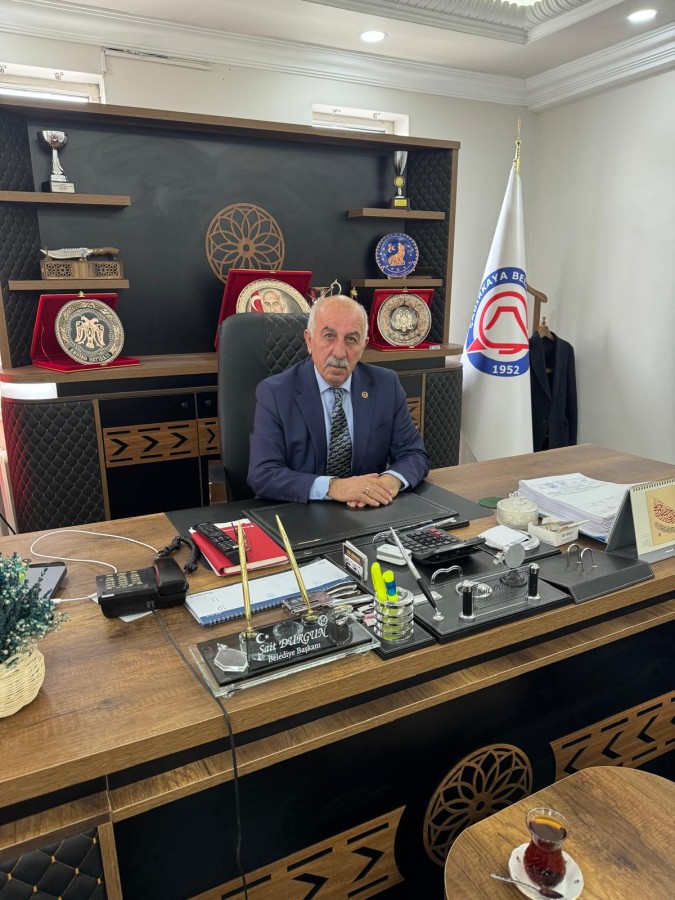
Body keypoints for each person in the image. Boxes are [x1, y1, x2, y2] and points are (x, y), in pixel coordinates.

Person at [248, 295, 430, 506]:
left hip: (367, 511)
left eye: (351, 339)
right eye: (329, 336)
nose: (340, 352)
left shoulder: (386, 385)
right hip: (300, 513)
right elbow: (263, 474)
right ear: (309, 340)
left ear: (363, 346)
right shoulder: (275, 393)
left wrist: (388, 482)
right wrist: (335, 487)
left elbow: (414, 454)